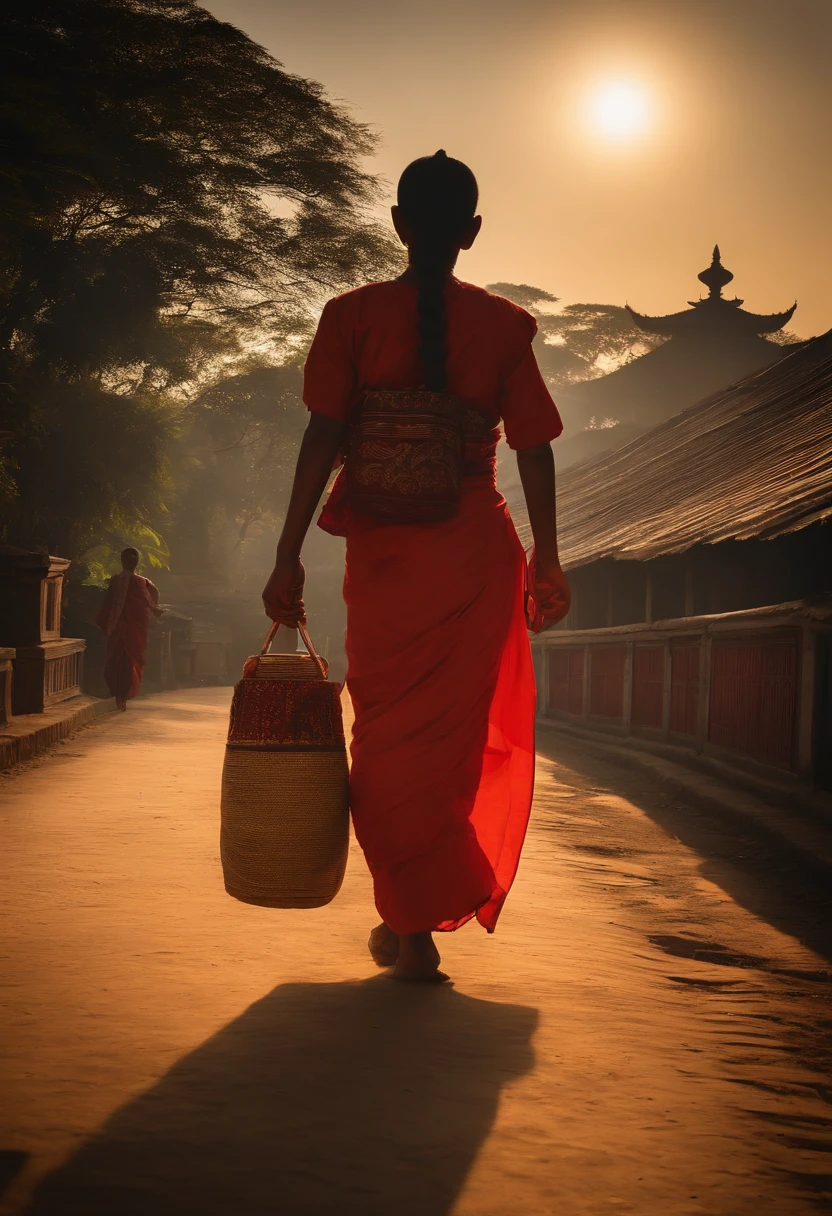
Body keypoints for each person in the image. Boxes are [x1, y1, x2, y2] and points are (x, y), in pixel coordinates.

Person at [263, 151, 570, 982]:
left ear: (397, 225)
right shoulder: (505, 327)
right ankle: (412, 916)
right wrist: (547, 554)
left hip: (388, 558)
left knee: (388, 740)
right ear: (472, 232)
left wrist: (288, 552)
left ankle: (409, 922)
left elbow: (321, 440)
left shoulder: (350, 316)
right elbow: (535, 447)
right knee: (448, 748)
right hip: (476, 552)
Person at [96, 547, 164, 711]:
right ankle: (122, 699)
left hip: (118, 628)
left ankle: (119, 697)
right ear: (136, 563)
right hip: (133, 631)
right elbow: (152, 598)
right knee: (129, 663)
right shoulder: (143, 582)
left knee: (117, 662)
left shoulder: (116, 580)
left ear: (122, 561)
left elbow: (108, 604)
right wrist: (156, 609)